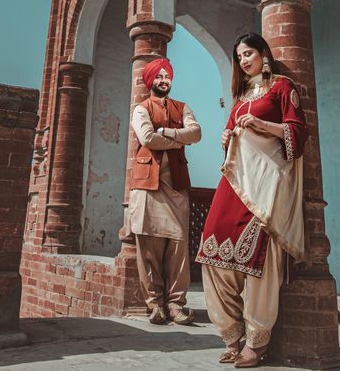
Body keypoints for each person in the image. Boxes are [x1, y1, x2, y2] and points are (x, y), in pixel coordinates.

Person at [195, 33, 308, 368]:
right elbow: (232, 140)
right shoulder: (240, 96)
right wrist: (225, 136)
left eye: (248, 54)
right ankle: (232, 333)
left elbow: (298, 133)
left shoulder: (282, 87)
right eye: (239, 56)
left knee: (260, 256)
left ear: (263, 54)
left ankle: (257, 340)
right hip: (236, 181)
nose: (243, 61)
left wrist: (261, 123)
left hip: (268, 180)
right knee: (210, 251)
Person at [128, 57, 202, 325]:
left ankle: (175, 304)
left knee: (179, 246)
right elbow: (147, 138)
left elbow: (196, 133)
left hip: (177, 186)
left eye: (166, 76)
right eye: (158, 76)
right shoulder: (141, 109)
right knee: (149, 248)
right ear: (150, 81)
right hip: (149, 185)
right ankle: (155, 304)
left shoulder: (182, 107)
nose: (163, 80)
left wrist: (166, 134)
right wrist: (178, 137)